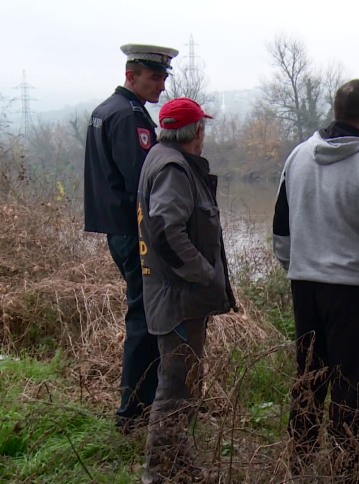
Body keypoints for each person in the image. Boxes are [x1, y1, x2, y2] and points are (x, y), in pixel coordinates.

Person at [272, 79, 359, 481]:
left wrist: (295, 266)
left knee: (310, 378)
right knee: (354, 387)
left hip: (306, 287)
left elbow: (280, 230)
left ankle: (299, 467)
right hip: (356, 292)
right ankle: (342, 470)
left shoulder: (297, 157)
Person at [137, 97, 235, 484]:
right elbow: (165, 230)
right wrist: (204, 273)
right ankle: (157, 475)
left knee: (185, 386)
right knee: (175, 390)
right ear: (197, 132)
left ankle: (179, 465)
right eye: (203, 128)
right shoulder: (174, 168)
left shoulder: (161, 158)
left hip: (178, 298)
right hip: (178, 300)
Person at [84, 43, 178, 433]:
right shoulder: (129, 117)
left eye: (163, 78)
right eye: (154, 77)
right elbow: (143, 182)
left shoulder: (105, 110)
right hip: (133, 230)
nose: (160, 86)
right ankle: (134, 411)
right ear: (131, 75)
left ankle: (141, 404)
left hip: (118, 229)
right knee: (145, 317)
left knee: (142, 312)